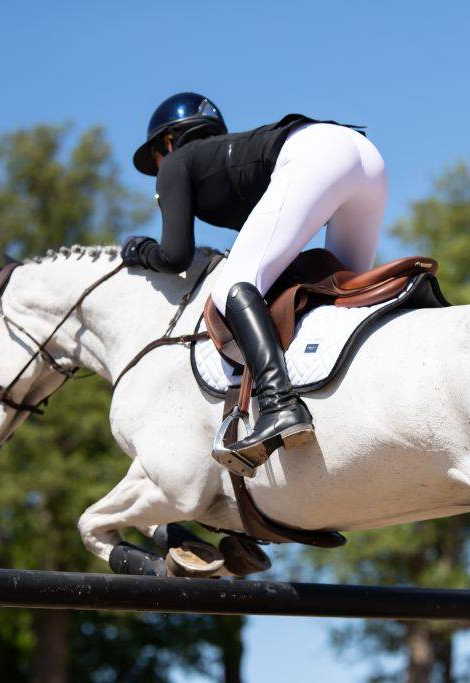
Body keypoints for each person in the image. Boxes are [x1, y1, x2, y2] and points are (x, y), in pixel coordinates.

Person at [122, 92, 388, 474]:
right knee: (344, 298)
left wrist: (139, 250)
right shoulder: (226, 157)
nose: (159, 167)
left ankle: (279, 405)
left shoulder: (176, 162)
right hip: (366, 160)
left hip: (317, 153)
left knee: (231, 287)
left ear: (168, 142)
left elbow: (175, 255)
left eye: (157, 158)